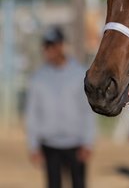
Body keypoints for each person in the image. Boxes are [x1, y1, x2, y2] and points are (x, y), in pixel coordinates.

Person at [25, 26, 96, 188]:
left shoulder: (79, 74)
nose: (48, 50)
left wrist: (88, 142)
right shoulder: (38, 78)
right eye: (46, 46)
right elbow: (32, 114)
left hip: (75, 144)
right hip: (50, 145)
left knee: (79, 184)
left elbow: (87, 111)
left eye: (51, 46)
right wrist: (33, 145)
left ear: (61, 46)